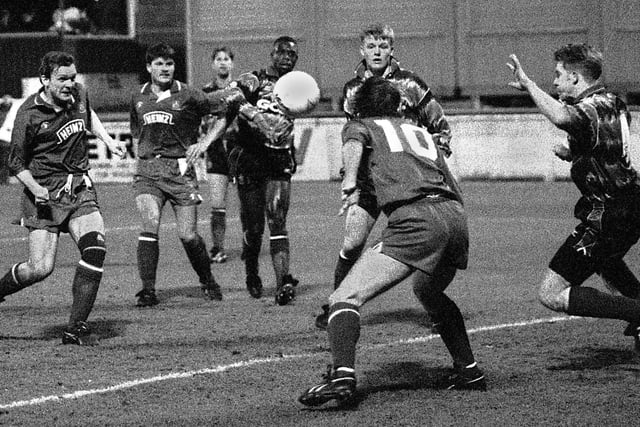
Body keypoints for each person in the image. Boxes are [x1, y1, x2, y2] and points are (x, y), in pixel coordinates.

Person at [298, 76, 485, 408]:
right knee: (427, 291)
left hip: (416, 221)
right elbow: (449, 180)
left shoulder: (362, 125)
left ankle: (341, 377)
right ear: (398, 105)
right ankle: (469, 370)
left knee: (344, 296)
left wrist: (351, 180)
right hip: (455, 216)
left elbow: (353, 140)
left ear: (362, 107)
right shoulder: (420, 131)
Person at [315, 23, 453, 329]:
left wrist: (434, 162)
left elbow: (440, 126)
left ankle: (436, 309)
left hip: (409, 180)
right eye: (371, 46)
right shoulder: (352, 89)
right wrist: (349, 175)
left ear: (392, 50)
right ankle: (336, 304)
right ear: (362, 51)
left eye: (383, 46)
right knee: (352, 244)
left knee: (425, 241)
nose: (377, 52)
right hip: (369, 180)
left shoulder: (411, 84)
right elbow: (353, 135)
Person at [507, 44, 640, 351]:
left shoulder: (590, 106)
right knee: (608, 265)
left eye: (559, 75)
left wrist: (529, 85)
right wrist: (574, 154)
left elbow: (562, 117)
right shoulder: (614, 101)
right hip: (630, 203)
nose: (554, 82)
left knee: (552, 293)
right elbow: (607, 146)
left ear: (576, 78)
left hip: (608, 213)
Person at [0, 50, 126, 345]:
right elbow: (15, 164)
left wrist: (108, 140)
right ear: (45, 80)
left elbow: (87, 115)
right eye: (62, 79)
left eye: (73, 77)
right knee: (40, 268)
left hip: (79, 188)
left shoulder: (80, 93)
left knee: (95, 249)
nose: (70, 84)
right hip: (42, 194)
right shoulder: (28, 113)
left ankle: (75, 327)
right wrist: (36, 188)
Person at [191, 36, 301, 305]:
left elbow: (287, 122)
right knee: (253, 228)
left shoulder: (298, 85)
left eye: (292, 54)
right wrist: (205, 142)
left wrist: (290, 148)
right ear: (272, 54)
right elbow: (228, 108)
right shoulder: (255, 80)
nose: (287, 57)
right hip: (250, 158)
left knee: (277, 221)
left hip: (279, 160)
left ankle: (282, 282)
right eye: (281, 52)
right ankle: (252, 271)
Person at [130, 42, 223, 307]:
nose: (164, 69)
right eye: (158, 64)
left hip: (180, 172)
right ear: (149, 67)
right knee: (149, 224)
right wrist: (138, 164)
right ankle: (147, 290)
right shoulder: (138, 97)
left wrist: (204, 143)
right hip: (148, 172)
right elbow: (137, 133)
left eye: (169, 64)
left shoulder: (190, 95)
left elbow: (224, 113)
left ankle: (207, 280)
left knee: (188, 235)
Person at [200, 46, 236, 264]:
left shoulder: (240, 89)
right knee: (217, 205)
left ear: (232, 63)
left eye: (226, 59)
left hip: (239, 150)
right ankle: (218, 248)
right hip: (216, 151)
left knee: (248, 204)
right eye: (219, 59)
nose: (223, 63)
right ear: (213, 64)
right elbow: (201, 123)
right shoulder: (205, 92)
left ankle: (250, 244)